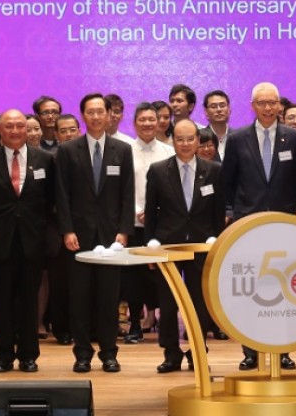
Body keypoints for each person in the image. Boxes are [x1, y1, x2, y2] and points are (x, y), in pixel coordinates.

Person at [220, 81, 296, 371]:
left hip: (284, 223)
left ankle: (283, 350)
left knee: (284, 289)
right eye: (262, 103)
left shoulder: (294, 138)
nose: (268, 108)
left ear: (280, 105)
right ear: (253, 106)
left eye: (273, 102)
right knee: (251, 289)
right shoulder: (237, 139)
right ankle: (251, 350)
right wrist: (232, 212)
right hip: (248, 224)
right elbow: (227, 183)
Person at [56, 94, 135, 374]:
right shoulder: (67, 151)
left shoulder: (122, 150)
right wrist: (66, 230)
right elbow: (62, 195)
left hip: (112, 239)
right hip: (78, 237)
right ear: (82, 116)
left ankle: (109, 353)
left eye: (101, 111)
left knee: (108, 299)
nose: (96, 116)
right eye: (90, 112)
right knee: (79, 298)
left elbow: (128, 194)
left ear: (110, 114)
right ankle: (82, 354)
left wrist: (125, 231)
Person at [0, 109, 58, 373]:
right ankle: (3, 356)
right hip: (1, 240)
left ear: (27, 129)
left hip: (33, 240)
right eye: (8, 126)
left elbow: (50, 200)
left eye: (19, 126)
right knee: (1, 301)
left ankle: (28, 355)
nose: (14, 130)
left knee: (29, 300)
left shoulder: (45, 159)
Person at [144, 118, 225, 372]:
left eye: (190, 139)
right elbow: (151, 212)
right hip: (168, 244)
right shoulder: (158, 170)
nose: (186, 144)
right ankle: (171, 352)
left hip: (202, 246)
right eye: (180, 139)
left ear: (198, 141)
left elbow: (218, 211)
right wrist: (150, 246)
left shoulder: (213, 170)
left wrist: (217, 240)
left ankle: (197, 352)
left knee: (200, 302)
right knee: (167, 303)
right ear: (173, 140)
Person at [123, 103, 173, 344]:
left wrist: (156, 211)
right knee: (133, 277)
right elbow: (121, 189)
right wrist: (138, 211)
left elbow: (172, 190)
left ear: (159, 122)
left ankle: (164, 321)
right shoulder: (124, 151)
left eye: (152, 119)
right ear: (134, 123)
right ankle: (134, 323)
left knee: (161, 277)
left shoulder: (168, 152)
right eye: (142, 119)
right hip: (132, 223)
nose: (147, 124)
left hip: (161, 225)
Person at [203, 90, 233, 159]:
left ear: (229, 109)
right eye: (213, 106)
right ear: (206, 112)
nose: (219, 109)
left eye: (222, 105)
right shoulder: (199, 139)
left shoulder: (240, 138)